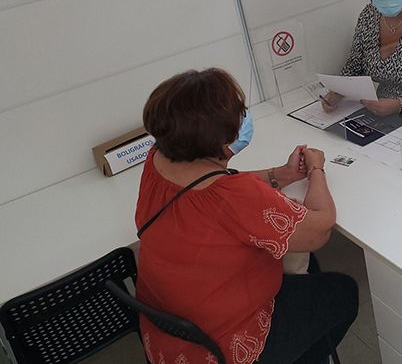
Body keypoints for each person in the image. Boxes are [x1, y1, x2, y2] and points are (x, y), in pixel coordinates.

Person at [135, 68, 358, 364]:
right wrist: (317, 169)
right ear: (218, 139)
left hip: (168, 335)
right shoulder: (234, 195)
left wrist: (281, 175)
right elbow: (319, 229)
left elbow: (207, 182)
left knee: (308, 270)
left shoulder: (158, 160)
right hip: (223, 347)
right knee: (343, 292)